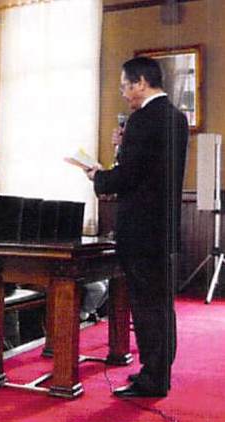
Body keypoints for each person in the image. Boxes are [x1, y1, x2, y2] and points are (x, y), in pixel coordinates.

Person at [85, 57, 188, 398]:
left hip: (141, 230)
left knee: (145, 306)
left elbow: (127, 177)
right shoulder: (176, 117)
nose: (123, 93)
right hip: (164, 227)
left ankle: (152, 379)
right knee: (161, 305)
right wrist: (122, 146)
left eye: (125, 86)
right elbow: (149, 169)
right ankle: (159, 371)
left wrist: (98, 176)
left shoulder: (142, 120)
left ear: (141, 82)